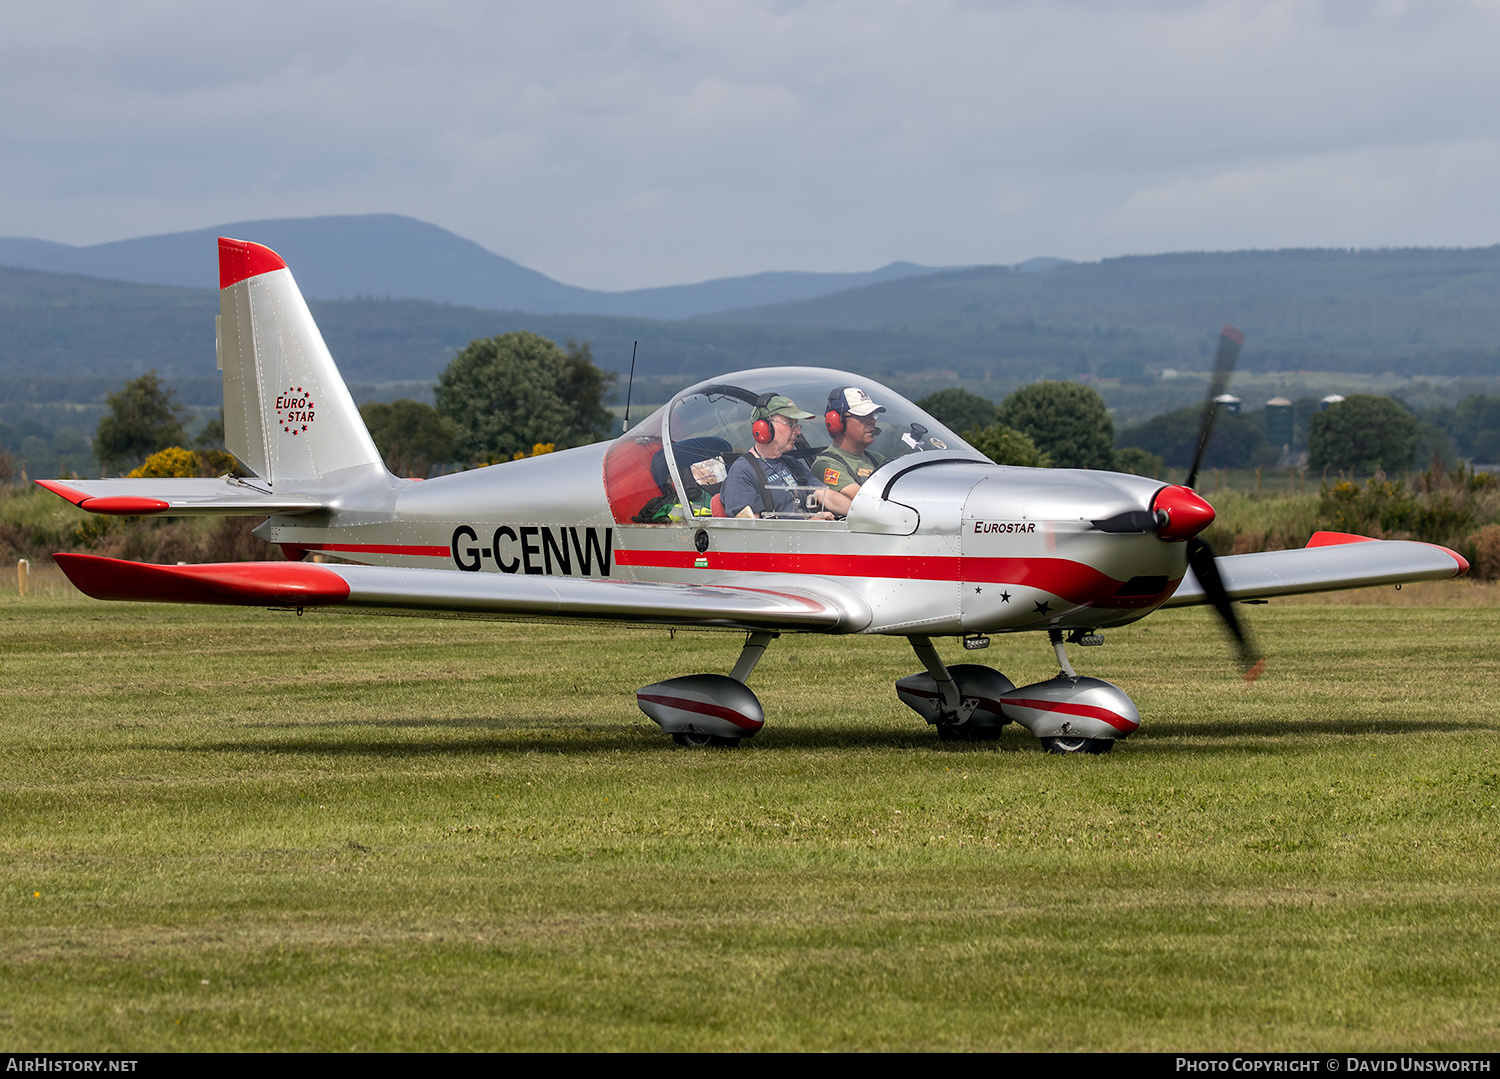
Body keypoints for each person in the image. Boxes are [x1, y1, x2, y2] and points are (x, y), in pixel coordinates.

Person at [722, 395, 850, 519]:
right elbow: (750, 532)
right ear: (764, 428)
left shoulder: (792, 464)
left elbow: (824, 494)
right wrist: (810, 524)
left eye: (797, 424)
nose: (798, 431)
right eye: (790, 424)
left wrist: (858, 512)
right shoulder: (742, 472)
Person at [814, 387, 887, 504]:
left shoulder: (878, 459)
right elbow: (865, 501)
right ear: (837, 422)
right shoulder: (826, 465)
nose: (872, 421)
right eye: (862, 416)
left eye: (873, 415)